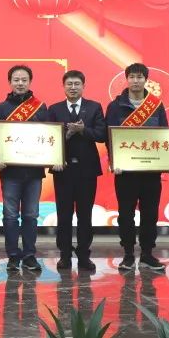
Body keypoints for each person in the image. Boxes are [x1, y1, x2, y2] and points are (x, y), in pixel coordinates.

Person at [105, 63, 169, 271]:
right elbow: (109, 137)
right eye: (132, 77)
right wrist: (114, 161)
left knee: (150, 214)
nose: (135, 81)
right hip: (125, 172)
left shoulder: (156, 105)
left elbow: (164, 135)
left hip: (151, 171)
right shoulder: (115, 106)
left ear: (146, 80)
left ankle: (148, 254)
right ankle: (128, 254)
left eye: (139, 77)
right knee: (126, 215)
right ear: (127, 79)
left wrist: (167, 162)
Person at [48, 70, 106, 272]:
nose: (73, 87)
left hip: (87, 170)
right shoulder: (54, 109)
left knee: (85, 215)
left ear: (83, 86)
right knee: (63, 215)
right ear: (63, 87)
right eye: (69, 84)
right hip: (62, 169)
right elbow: (49, 138)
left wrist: (83, 130)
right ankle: (64, 255)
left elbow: (101, 134)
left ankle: (84, 256)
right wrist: (67, 134)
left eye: (77, 84)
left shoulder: (94, 107)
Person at [0, 64, 49, 272]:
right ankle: (13, 256)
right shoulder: (1, 108)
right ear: (10, 82)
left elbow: (48, 137)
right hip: (10, 171)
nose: (20, 83)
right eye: (16, 80)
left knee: (31, 215)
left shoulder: (40, 107)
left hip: (34, 171)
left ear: (30, 82)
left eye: (24, 80)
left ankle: (29, 255)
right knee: (10, 215)